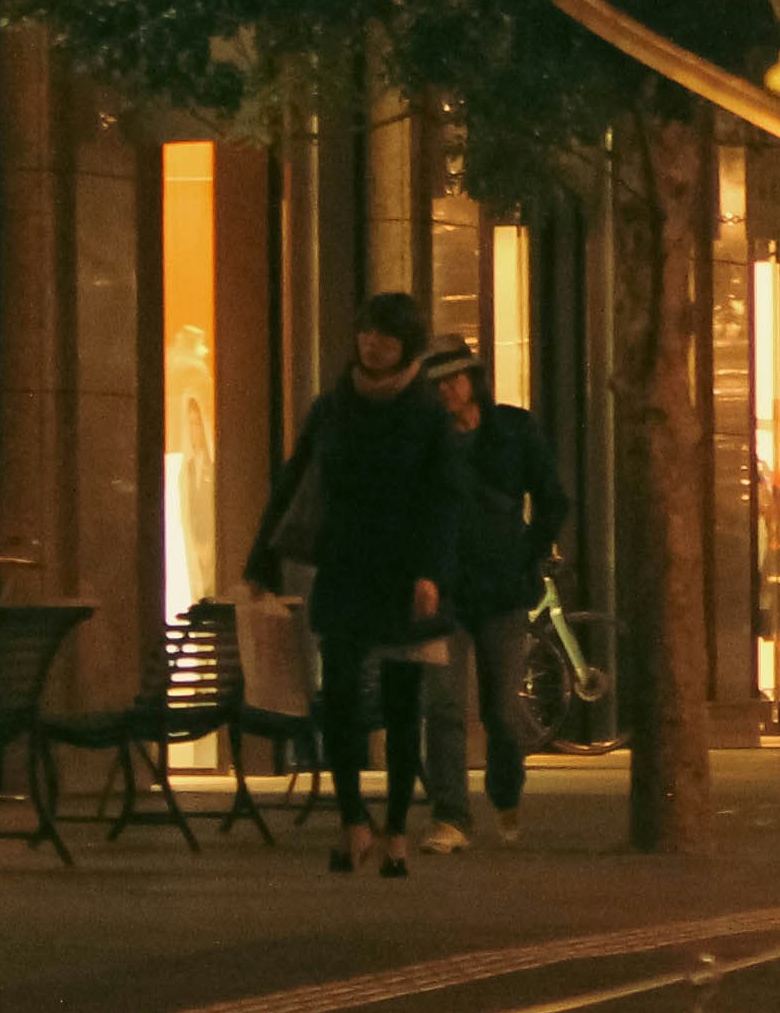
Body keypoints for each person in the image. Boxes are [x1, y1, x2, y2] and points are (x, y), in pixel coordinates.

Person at [245, 291, 463, 878]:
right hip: (343, 568)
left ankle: (394, 828)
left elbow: (443, 501)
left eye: (386, 337)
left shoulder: (426, 412)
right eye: (366, 332)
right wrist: (261, 559)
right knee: (338, 701)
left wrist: (431, 574)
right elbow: (295, 480)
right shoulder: (333, 406)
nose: (371, 344)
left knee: (399, 707)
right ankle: (350, 821)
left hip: (404, 575)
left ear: (407, 347)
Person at [420, 338, 572, 846]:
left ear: (474, 380)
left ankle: (505, 795)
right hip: (443, 591)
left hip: (502, 590)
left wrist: (524, 551)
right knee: (442, 705)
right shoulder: (424, 441)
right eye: (436, 382)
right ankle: (451, 817)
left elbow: (552, 499)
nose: (446, 390)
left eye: (454, 379)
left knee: (502, 712)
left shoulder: (513, 430)